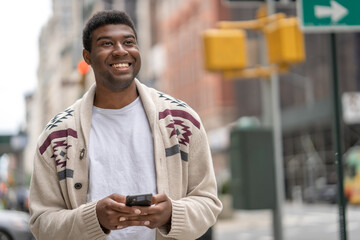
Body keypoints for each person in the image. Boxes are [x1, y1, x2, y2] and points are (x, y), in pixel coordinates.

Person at [29, 10, 222, 240]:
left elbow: (208, 202)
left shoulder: (182, 121)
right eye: (107, 43)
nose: (120, 50)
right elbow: (41, 223)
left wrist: (172, 213)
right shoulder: (57, 136)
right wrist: (94, 219)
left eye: (129, 42)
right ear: (87, 56)